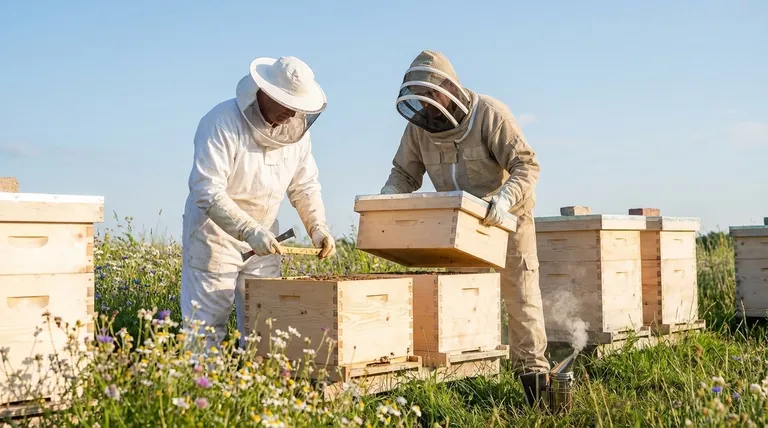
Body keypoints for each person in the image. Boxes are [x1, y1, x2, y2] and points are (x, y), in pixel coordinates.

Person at [380, 49, 550, 400]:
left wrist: (502, 200)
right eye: (422, 99)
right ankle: (467, 380)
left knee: (521, 299)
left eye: (432, 96)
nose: (427, 105)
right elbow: (403, 173)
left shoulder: (491, 114)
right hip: (457, 227)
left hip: (507, 221)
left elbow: (527, 166)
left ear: (449, 88)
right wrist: (386, 199)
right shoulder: (419, 129)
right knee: (463, 300)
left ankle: (535, 382)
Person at [180, 56, 336, 353]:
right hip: (215, 237)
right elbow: (206, 188)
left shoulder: (298, 136)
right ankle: (202, 394)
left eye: (297, 108)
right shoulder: (221, 122)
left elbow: (304, 186)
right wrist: (248, 229)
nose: (291, 115)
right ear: (264, 92)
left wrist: (318, 227)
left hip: (266, 239)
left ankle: (255, 395)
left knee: (265, 325)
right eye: (286, 104)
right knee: (206, 327)